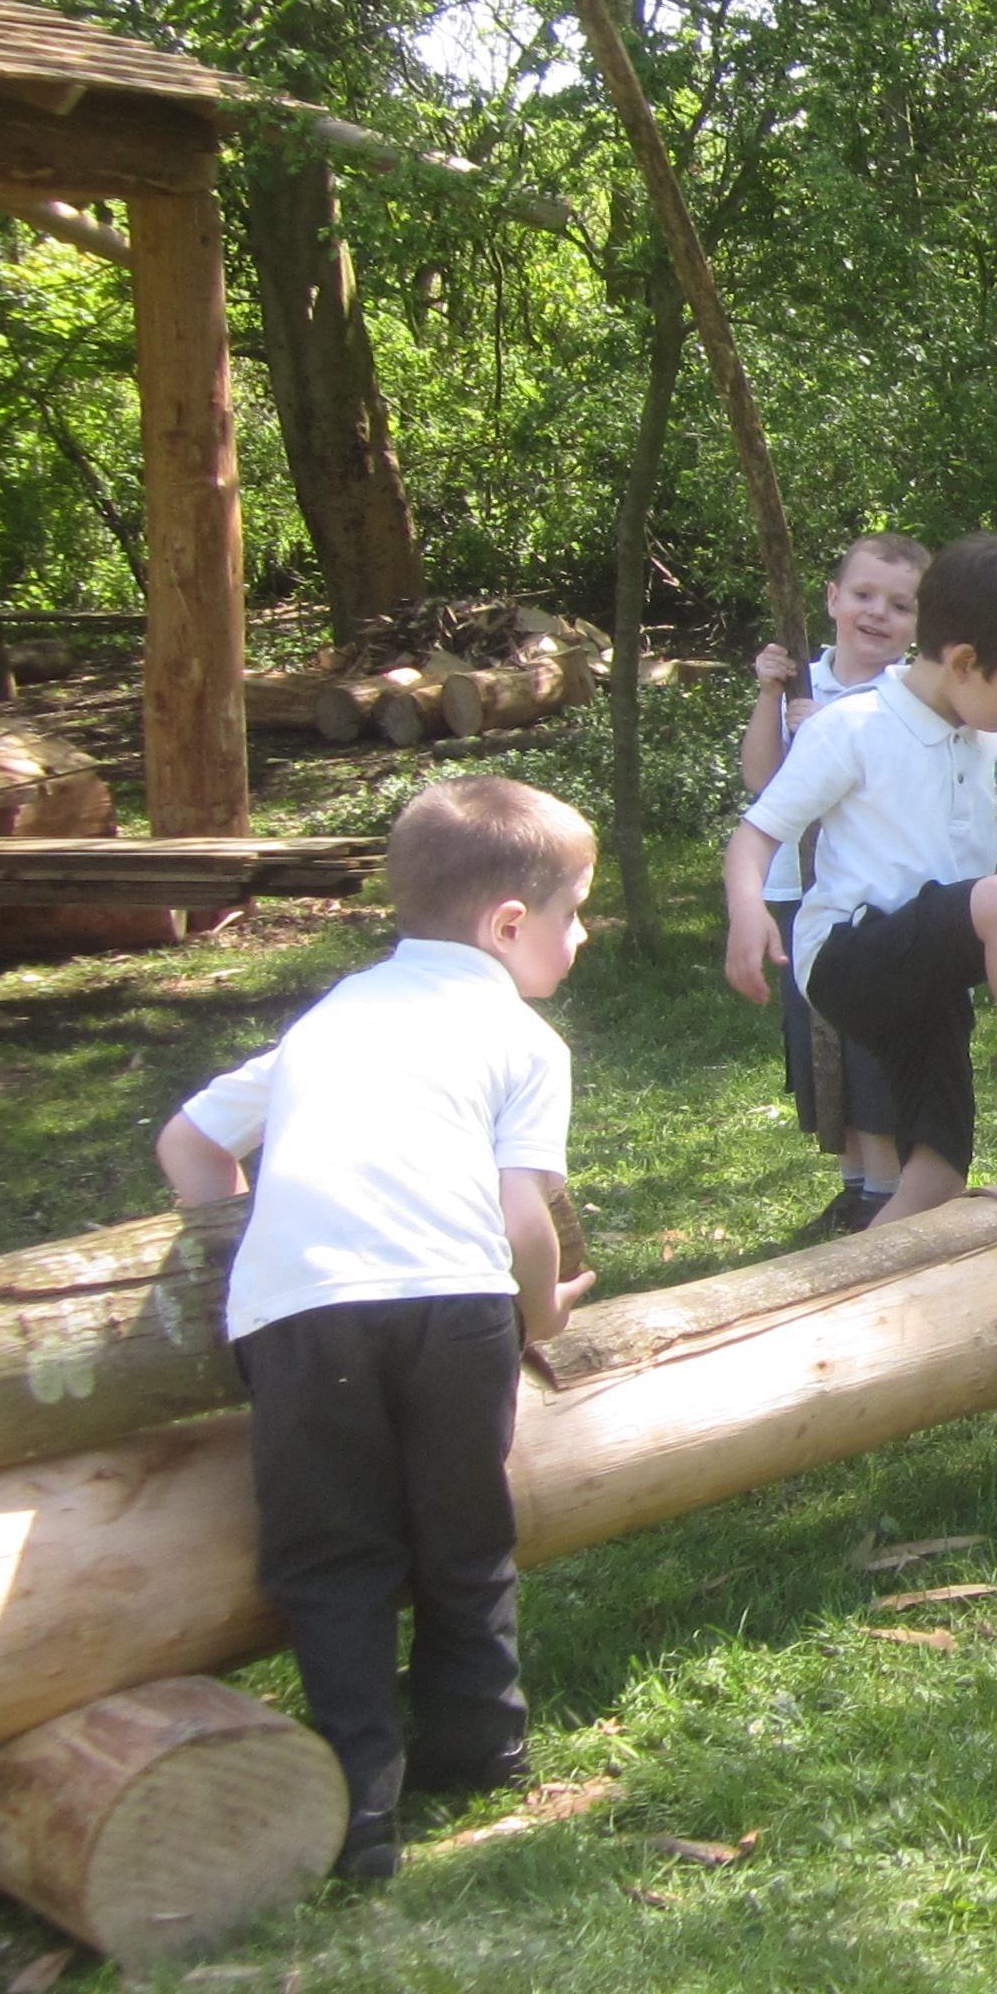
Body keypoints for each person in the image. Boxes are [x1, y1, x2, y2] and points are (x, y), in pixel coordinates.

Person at [155, 776, 602, 1885]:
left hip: (299, 1317)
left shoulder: (333, 1017)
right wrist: (541, 1310)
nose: (583, 936)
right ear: (509, 924)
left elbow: (189, 1142)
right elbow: (522, 1219)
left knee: (331, 1559)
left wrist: (244, 1239)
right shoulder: (523, 1041)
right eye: (575, 913)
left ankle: (359, 1804)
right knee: (464, 1535)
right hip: (455, 1303)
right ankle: (482, 1747)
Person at [726, 532, 997, 1214]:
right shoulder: (853, 726)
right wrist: (748, 910)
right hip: (850, 958)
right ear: (964, 662)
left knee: (938, 1177)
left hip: (932, 981)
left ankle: (864, 1277)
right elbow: (756, 834)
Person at [739, 532, 929, 1236]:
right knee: (814, 1037)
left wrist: (832, 735)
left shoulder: (907, 698)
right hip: (798, 887)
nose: (878, 613)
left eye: (900, 605)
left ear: (920, 623)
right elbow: (762, 781)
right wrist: (771, 695)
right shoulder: (802, 683)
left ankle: (886, 1190)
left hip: (868, 895)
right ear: (831, 599)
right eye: (863, 595)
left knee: (865, 1039)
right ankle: (853, 1184)